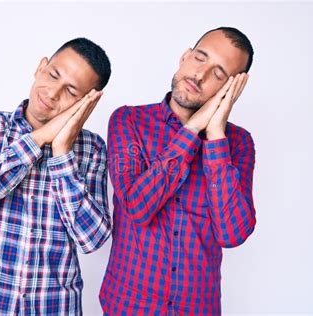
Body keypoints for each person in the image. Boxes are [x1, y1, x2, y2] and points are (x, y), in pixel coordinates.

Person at [0, 37, 112, 315]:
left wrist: (62, 153)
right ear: (41, 67)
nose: (53, 93)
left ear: (88, 102)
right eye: (53, 75)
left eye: (71, 91)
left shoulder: (92, 149)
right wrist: (36, 141)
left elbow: (92, 239)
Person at [99, 27, 256, 315]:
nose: (200, 75)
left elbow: (232, 233)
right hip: (128, 306)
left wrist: (215, 134)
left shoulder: (239, 144)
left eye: (219, 74)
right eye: (199, 58)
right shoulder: (128, 120)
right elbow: (136, 207)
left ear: (232, 89)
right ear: (185, 56)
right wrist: (193, 129)